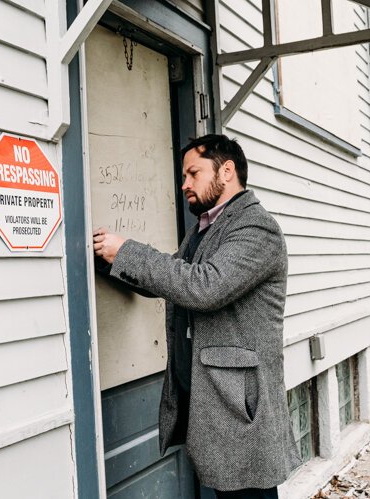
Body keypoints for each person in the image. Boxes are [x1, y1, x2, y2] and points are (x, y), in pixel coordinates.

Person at [93, 134, 300, 498]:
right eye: (183, 175)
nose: (184, 183)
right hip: (215, 402)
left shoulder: (256, 228)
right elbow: (172, 279)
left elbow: (204, 287)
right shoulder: (206, 229)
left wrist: (127, 250)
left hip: (241, 408)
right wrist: (110, 260)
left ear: (227, 171)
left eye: (193, 173)